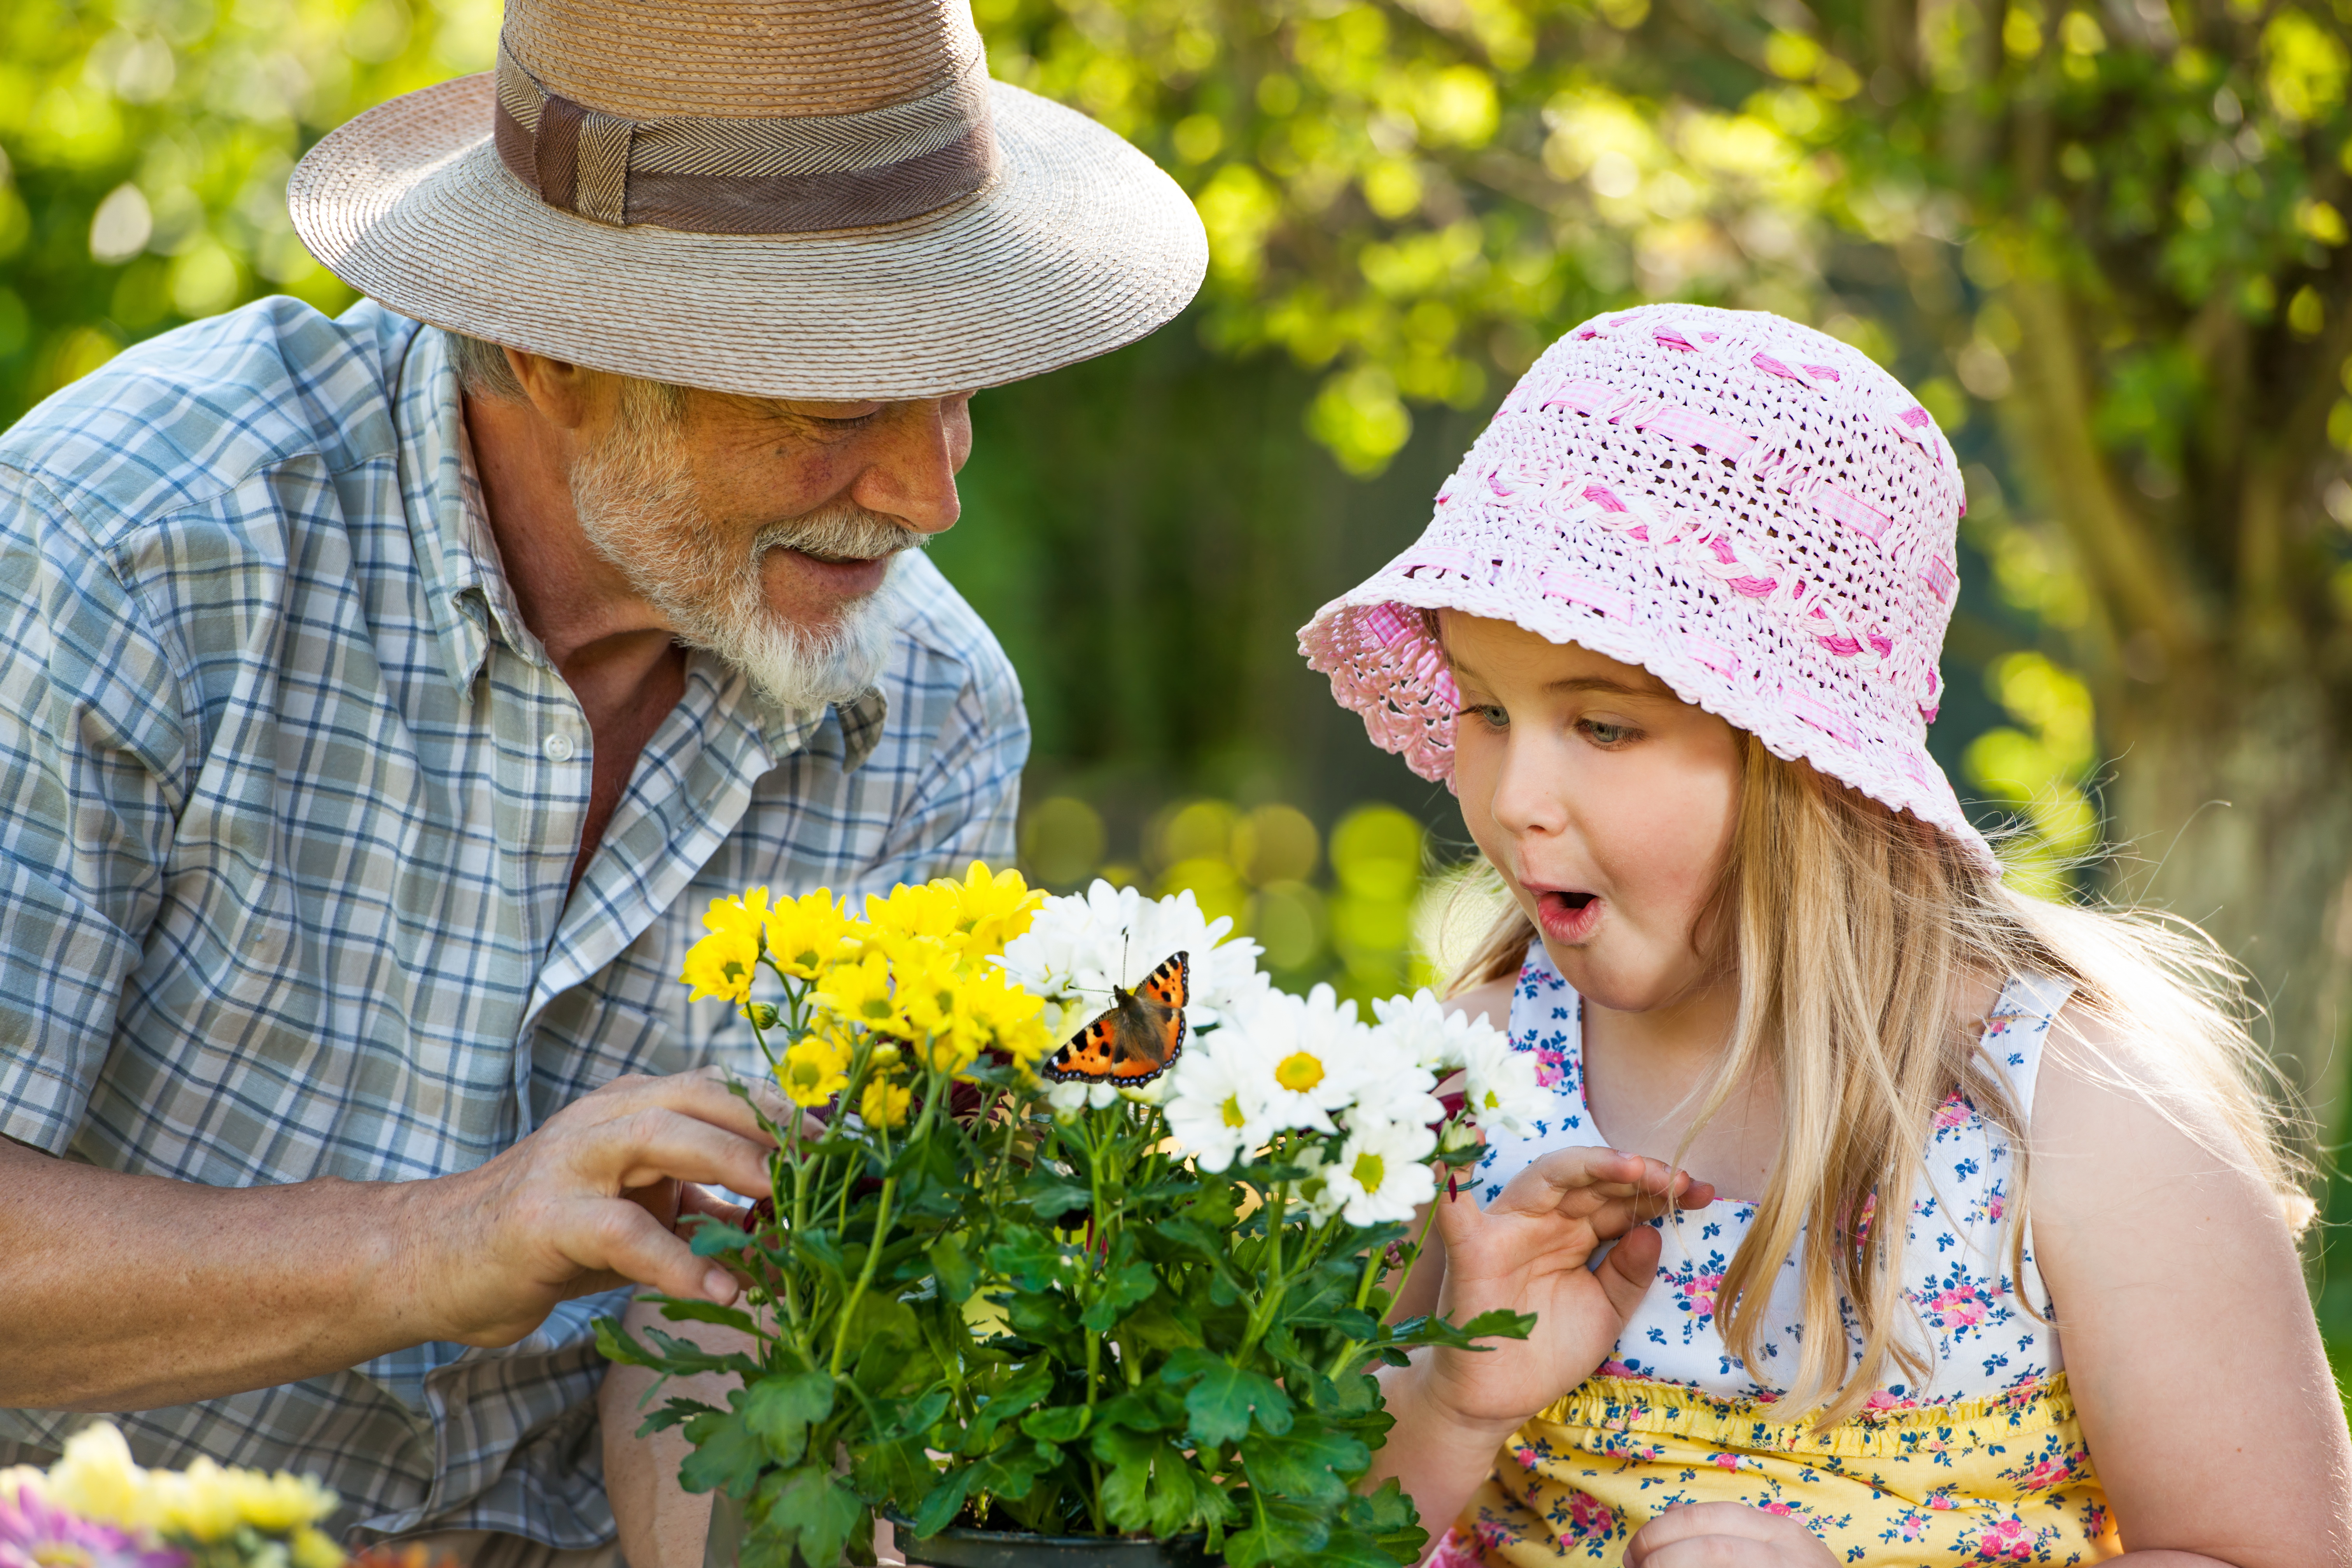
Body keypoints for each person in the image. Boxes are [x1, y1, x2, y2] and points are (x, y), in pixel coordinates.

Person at [0, 0, 1205, 1563]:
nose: (930, 493)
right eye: (840, 407)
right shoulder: (131, 549)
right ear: (560, 355)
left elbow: (727, 1322)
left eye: (960, 384)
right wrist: (448, 1241)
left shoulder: (930, 709)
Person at [1297, 304, 2352, 1565]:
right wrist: (1452, 1404)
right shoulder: (1469, 1086)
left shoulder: (2074, 1114)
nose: (1515, 799)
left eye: (1606, 728)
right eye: (1483, 710)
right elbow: (1299, 1529)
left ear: (1809, 771)